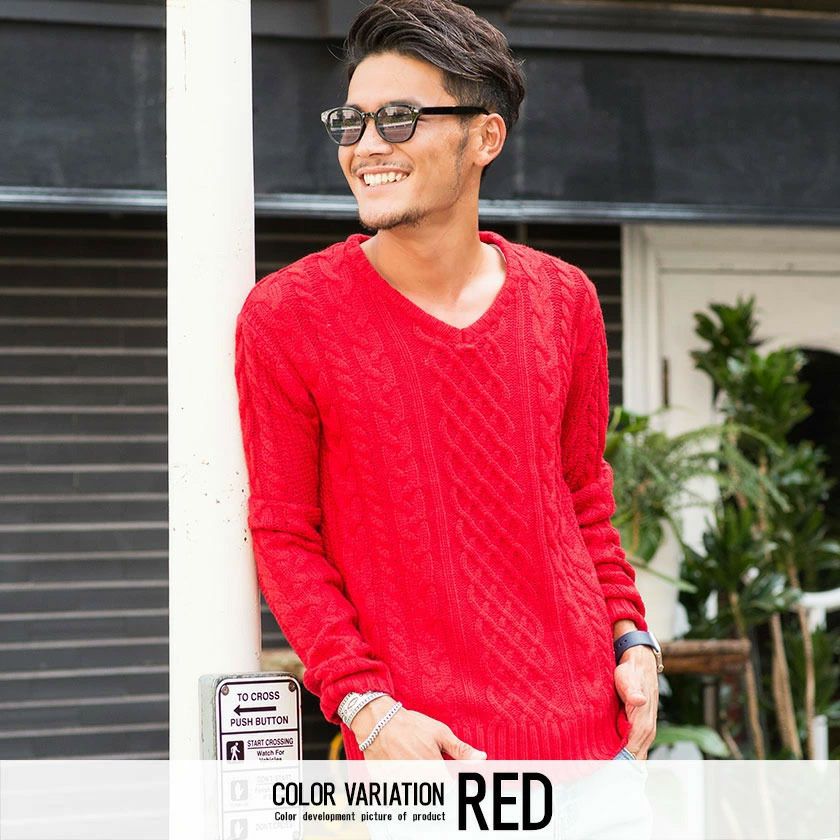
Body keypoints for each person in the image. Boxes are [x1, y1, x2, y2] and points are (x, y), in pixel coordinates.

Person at [234, 0, 661, 762]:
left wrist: (633, 641)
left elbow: (583, 497)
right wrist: (367, 709)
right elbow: (284, 535)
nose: (367, 146)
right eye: (351, 122)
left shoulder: (565, 301)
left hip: (598, 750)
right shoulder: (287, 318)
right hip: (426, 760)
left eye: (398, 119)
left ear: (484, 137)